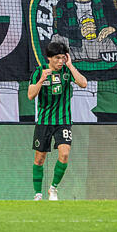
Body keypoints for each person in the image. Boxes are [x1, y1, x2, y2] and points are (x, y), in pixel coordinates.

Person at [26, 42, 88, 201]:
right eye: (57, 58)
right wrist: (41, 81)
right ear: (49, 58)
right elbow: (30, 95)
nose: (60, 61)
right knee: (39, 159)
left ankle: (53, 188)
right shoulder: (39, 72)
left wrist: (71, 66)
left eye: (63, 58)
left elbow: (83, 83)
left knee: (65, 153)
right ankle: (38, 194)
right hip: (44, 122)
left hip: (63, 121)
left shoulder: (67, 71)